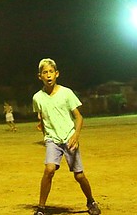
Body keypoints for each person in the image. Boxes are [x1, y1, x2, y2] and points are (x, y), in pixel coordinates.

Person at [32, 59, 100, 215]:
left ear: (57, 74)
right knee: (49, 169)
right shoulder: (37, 98)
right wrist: (46, 137)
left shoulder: (66, 93)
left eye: (51, 72)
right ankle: (41, 208)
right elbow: (41, 118)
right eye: (45, 72)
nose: (48, 75)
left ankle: (91, 201)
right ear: (39, 76)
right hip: (52, 140)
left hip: (69, 138)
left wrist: (75, 135)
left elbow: (79, 117)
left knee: (79, 175)